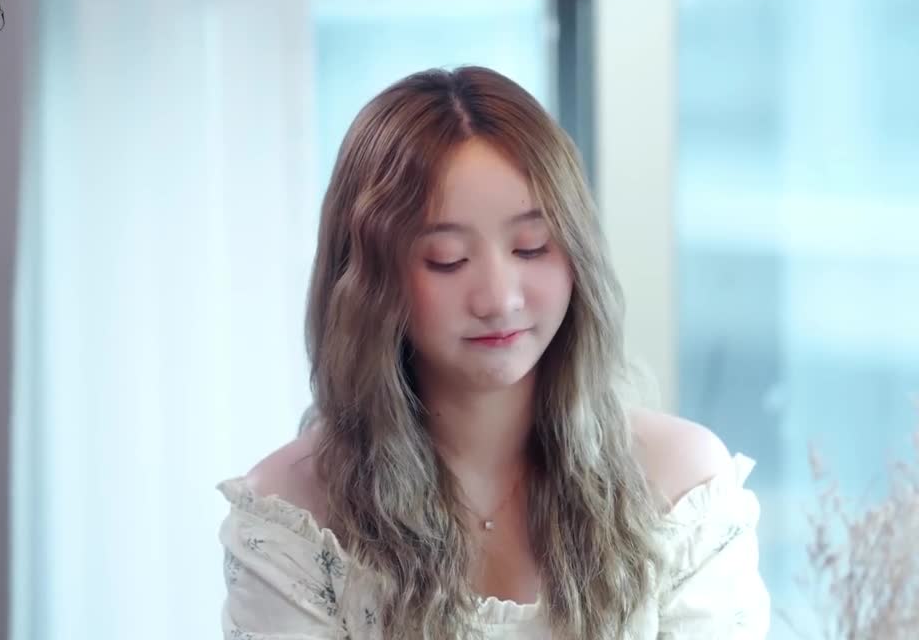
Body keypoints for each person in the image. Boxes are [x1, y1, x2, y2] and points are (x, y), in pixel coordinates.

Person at [216, 65, 770, 639]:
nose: (500, 300)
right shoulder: (292, 521)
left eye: (532, 247)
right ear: (366, 285)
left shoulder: (682, 491)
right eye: (448, 259)